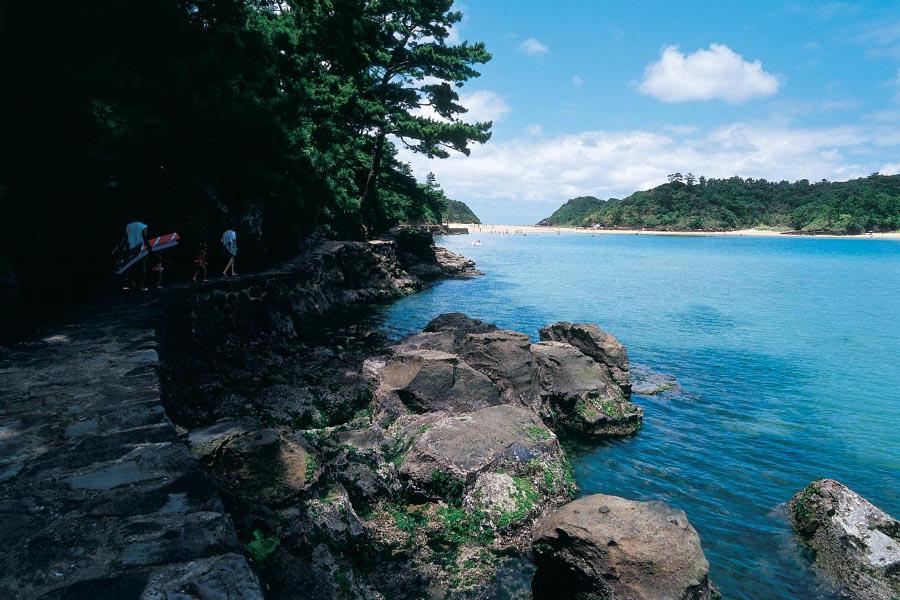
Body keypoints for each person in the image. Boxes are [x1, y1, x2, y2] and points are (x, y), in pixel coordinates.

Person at [124, 220, 150, 290]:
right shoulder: (144, 226)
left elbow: (126, 237)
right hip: (140, 248)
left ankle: (128, 285)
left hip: (131, 249)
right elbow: (145, 237)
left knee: (131, 267)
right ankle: (142, 286)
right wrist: (150, 248)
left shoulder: (128, 225)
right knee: (142, 267)